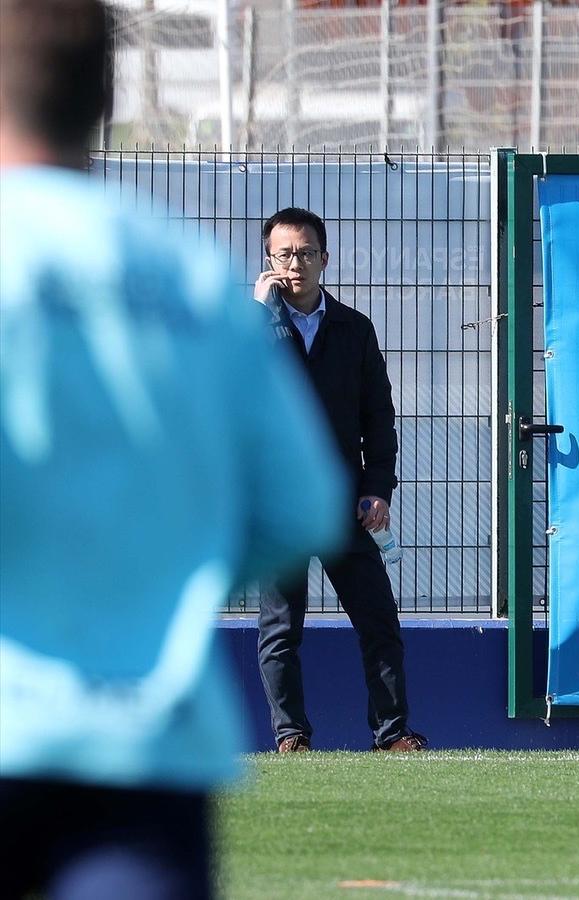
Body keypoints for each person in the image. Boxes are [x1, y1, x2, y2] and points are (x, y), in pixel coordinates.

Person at [0, 0, 346, 894]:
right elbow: (301, 504)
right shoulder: (187, 272)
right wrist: (152, 577)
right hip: (145, 752)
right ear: (101, 102)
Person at [253, 206, 426, 752]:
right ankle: (291, 735)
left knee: (378, 621)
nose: (296, 264)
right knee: (280, 630)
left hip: (343, 502)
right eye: (284, 254)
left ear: (325, 258)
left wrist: (379, 486)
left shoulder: (354, 328)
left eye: (306, 252)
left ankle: (393, 733)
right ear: (268, 261)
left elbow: (379, 416)